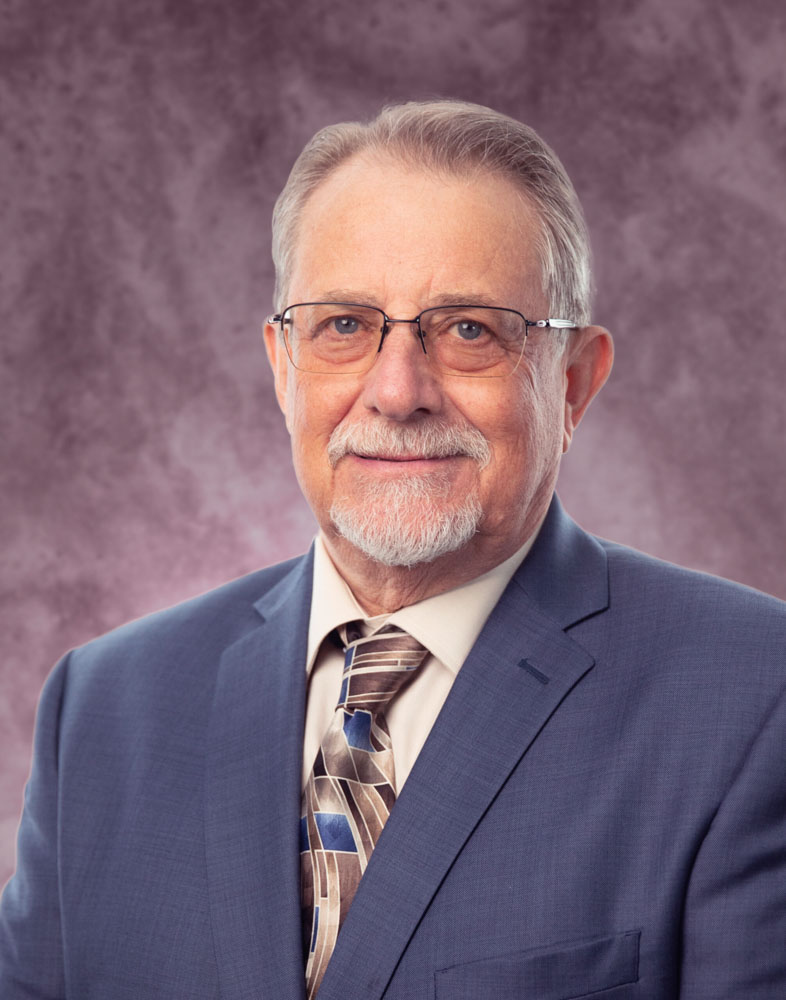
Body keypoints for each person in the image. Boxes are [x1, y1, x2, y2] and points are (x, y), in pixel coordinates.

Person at [1, 100, 784, 1000]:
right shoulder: (102, 713)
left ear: (573, 383)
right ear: (282, 367)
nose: (398, 390)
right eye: (343, 325)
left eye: (468, 330)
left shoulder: (754, 701)